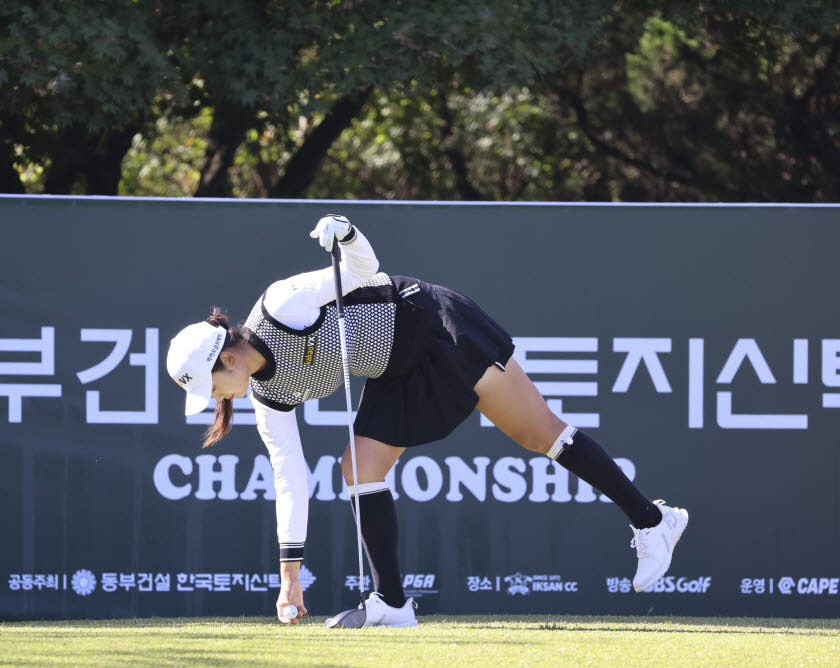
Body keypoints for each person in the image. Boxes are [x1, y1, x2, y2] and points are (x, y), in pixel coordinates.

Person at [165, 215, 689, 627]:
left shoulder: (284, 304)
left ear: (227, 359)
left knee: (539, 433)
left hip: (430, 325)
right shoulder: (265, 397)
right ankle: (391, 603)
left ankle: (653, 521)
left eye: (209, 388)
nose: (214, 402)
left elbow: (366, 270)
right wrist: (290, 579)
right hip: (391, 371)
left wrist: (347, 232)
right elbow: (289, 480)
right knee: (358, 468)